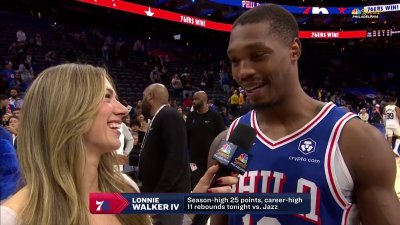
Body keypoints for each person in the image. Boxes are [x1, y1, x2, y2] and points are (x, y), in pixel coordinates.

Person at [209, 4, 400, 225]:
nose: (243, 72)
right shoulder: (230, 142)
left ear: (294, 50)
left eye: (258, 55)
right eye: (235, 61)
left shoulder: (355, 142)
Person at [0, 64, 237, 225]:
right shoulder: (11, 218)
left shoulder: (123, 186)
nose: (123, 109)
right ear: (65, 109)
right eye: (106, 97)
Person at [139, 83, 191, 225]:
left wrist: (160, 192)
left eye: (143, 97)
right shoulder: (159, 117)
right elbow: (156, 154)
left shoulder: (169, 115)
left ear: (150, 96)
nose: (141, 101)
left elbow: (176, 158)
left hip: (169, 196)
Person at [186, 91, 226, 189]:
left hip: (212, 161)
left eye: (196, 99)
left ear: (204, 100)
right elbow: (186, 139)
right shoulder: (190, 117)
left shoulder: (215, 116)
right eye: (193, 99)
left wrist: (221, 159)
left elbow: (223, 138)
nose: (193, 102)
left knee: (212, 188)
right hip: (195, 162)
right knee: (196, 187)